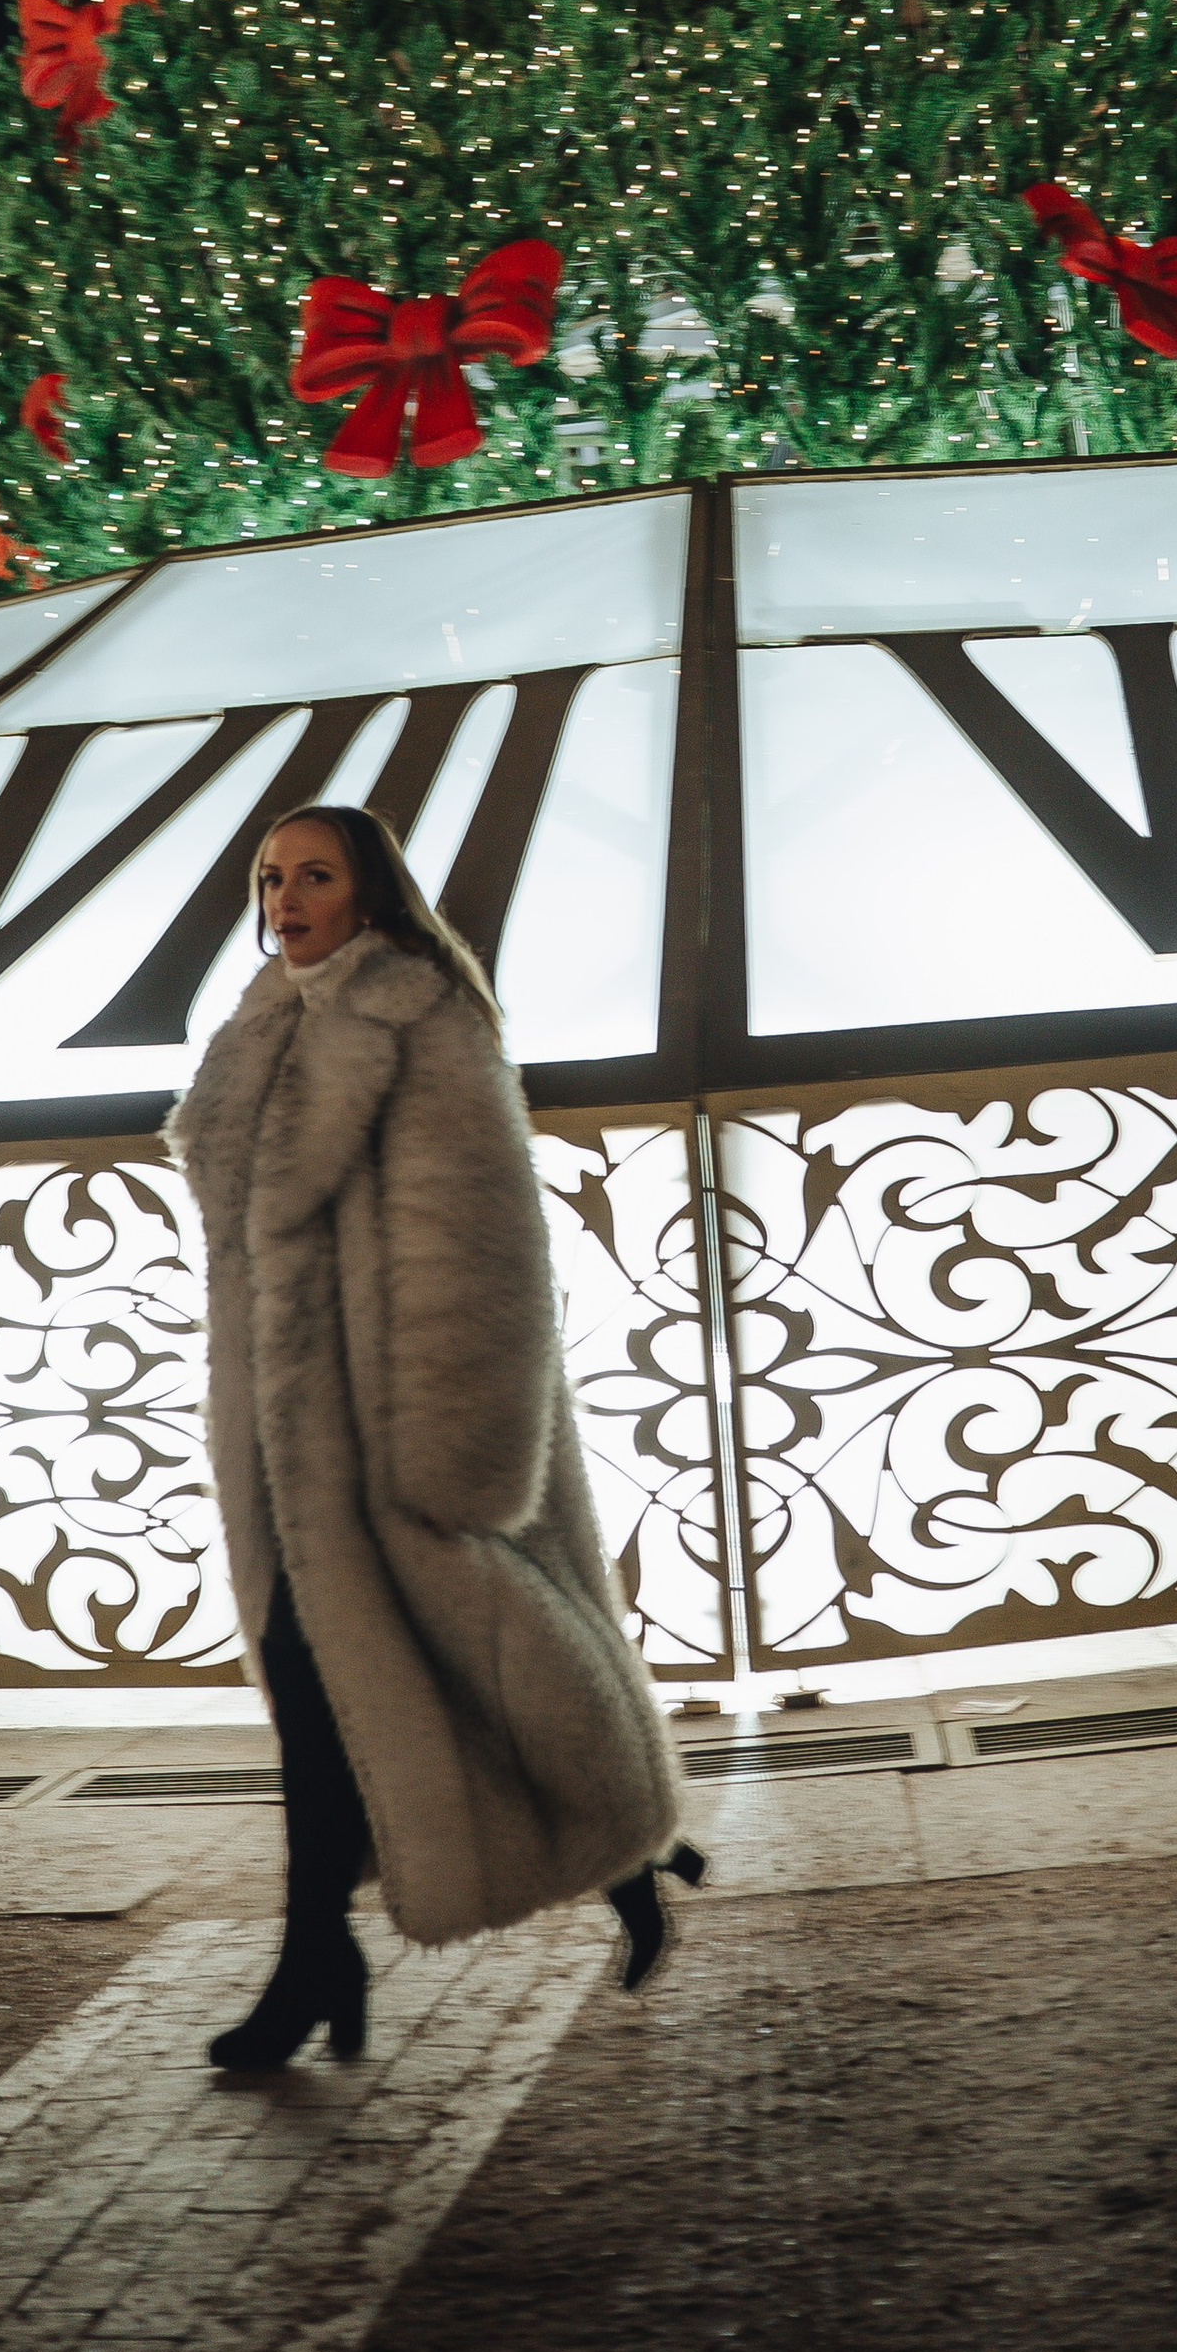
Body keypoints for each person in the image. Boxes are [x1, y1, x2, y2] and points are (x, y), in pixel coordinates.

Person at [164, 801, 704, 2072]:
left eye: (315, 876)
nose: (287, 901)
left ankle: (609, 1852)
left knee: (481, 1676)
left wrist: (450, 1459)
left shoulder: (418, 1019)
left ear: (369, 893)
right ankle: (329, 1956)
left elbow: (482, 1248)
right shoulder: (263, 1024)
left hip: (403, 1445)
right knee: (329, 1705)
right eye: (271, 879)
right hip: (293, 1450)